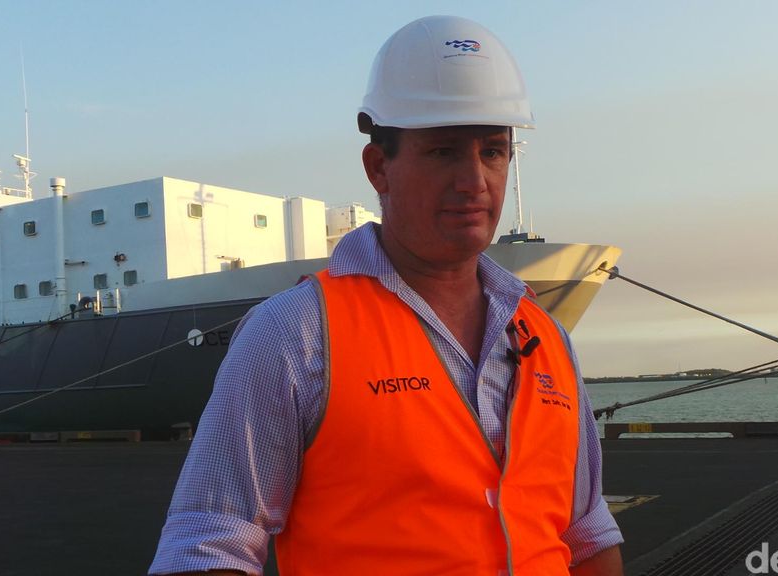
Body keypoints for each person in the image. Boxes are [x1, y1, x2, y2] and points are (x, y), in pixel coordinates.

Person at [150, 15, 623, 576]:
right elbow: (209, 544)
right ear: (379, 168)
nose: (475, 180)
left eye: (493, 152)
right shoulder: (296, 334)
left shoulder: (547, 338)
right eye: (444, 151)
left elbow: (585, 532)